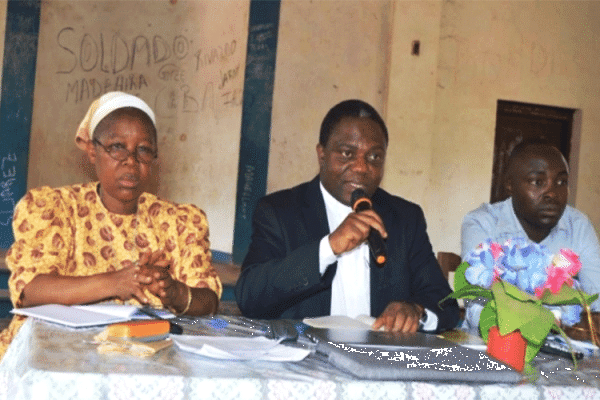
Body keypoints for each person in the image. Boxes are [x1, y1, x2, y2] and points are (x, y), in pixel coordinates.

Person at [0, 91, 222, 359]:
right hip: (52, 357)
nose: (131, 161)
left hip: (143, 359)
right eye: (117, 146)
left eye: (143, 150)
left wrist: (174, 291)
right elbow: (29, 290)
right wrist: (116, 283)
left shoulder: (179, 221)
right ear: (93, 151)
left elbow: (208, 302)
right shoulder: (56, 208)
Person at [235, 99, 459, 333]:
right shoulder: (279, 211)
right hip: (306, 359)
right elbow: (249, 296)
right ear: (322, 155)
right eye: (346, 153)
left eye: (374, 157)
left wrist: (416, 311)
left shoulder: (405, 218)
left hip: (378, 361)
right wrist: (327, 248)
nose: (361, 167)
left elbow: (446, 304)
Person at [461, 140, 600, 331]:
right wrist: (548, 320)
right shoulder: (482, 223)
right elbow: (479, 308)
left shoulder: (578, 226)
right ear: (510, 184)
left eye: (561, 182)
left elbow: (596, 303)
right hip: (491, 350)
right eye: (538, 182)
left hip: (565, 350)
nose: (552, 193)